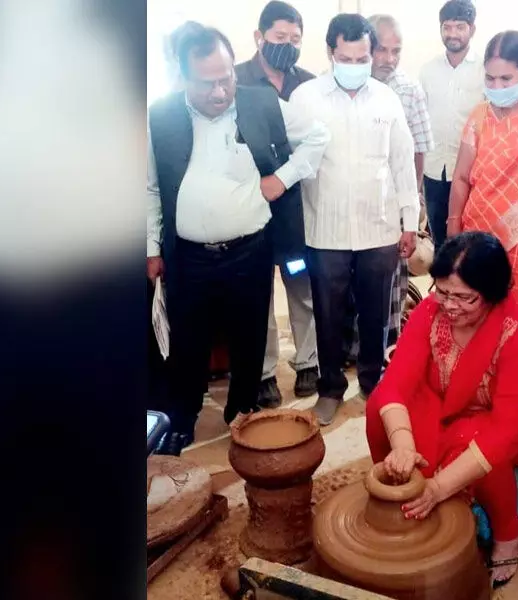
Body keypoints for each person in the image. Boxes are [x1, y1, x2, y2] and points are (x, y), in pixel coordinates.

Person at [147, 25, 329, 454]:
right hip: (188, 255)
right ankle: (183, 415)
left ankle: (242, 410)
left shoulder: (260, 101)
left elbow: (317, 138)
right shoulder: (163, 115)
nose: (219, 90)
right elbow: (151, 187)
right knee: (188, 340)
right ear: (182, 75)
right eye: (207, 82)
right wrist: (151, 248)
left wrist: (280, 180)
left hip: (249, 249)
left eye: (226, 77)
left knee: (250, 336)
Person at [366, 232, 518, 589]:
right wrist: (403, 445)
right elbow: (396, 383)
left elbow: (505, 430)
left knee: (472, 438)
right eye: (443, 291)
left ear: (492, 294)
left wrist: (436, 488)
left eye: (464, 298)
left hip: (509, 422)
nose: (449, 306)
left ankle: (509, 534)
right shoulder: (430, 311)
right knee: (379, 407)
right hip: (446, 402)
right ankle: (403, 484)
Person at [290, 14, 418, 426]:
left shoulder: (386, 98)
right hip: (324, 229)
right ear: (331, 53)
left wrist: (410, 220)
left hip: (378, 226)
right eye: (347, 57)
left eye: (364, 56)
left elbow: (402, 162)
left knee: (376, 311)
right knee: (328, 312)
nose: (357, 64)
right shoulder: (306, 98)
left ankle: (372, 380)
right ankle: (329, 388)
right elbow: (289, 162)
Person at [235, 1, 320, 406]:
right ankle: (264, 371)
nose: (288, 46)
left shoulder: (308, 83)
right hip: (247, 206)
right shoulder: (236, 81)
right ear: (260, 37)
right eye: (279, 38)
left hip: (293, 209)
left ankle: (309, 362)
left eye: (295, 39)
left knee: (301, 284)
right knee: (258, 293)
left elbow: (318, 145)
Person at [340, 14, 434, 359]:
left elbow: (418, 151)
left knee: (389, 284)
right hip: (346, 208)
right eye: (382, 50)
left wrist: (410, 207)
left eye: (397, 51)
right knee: (345, 282)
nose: (389, 59)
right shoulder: (335, 88)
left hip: (390, 207)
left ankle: (384, 347)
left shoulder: (408, 90)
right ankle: (347, 348)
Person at [448, 31, 518, 328]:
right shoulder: (480, 115)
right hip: (478, 236)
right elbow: (462, 177)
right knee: (479, 319)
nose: (497, 86)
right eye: (490, 79)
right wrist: (454, 226)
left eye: (506, 79)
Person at [419, 0, 484, 249]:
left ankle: (465, 288)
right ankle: (443, 287)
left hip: (471, 173)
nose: (453, 34)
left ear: (472, 30)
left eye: (460, 27)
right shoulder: (428, 71)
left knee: (469, 243)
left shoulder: (483, 70)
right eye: (447, 27)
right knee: (439, 240)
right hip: (435, 170)